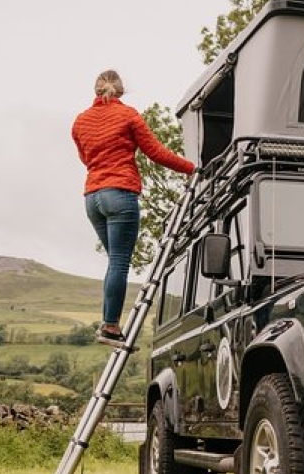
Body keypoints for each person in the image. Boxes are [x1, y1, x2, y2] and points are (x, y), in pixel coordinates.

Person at [72, 69, 195, 347]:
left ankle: (108, 323)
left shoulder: (80, 122)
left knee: (114, 261)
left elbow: (86, 158)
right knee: (119, 262)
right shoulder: (128, 115)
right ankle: (111, 326)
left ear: (96, 90)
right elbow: (156, 152)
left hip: (93, 198)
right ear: (121, 91)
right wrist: (191, 169)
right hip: (120, 194)